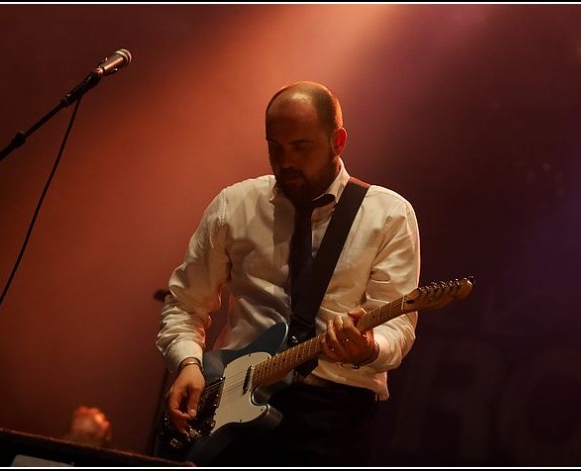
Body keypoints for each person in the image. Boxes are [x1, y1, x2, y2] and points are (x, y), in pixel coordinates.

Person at [156, 81, 420, 466]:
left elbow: (398, 327)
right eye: (274, 147)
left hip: (333, 414)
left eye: (301, 147)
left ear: (338, 141)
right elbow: (184, 304)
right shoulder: (235, 205)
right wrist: (188, 364)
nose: (285, 162)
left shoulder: (389, 215)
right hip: (229, 402)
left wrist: (367, 348)